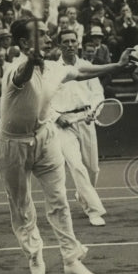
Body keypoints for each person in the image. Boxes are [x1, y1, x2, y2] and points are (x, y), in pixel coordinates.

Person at [0, 17, 135, 274]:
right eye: (41, 35)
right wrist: (29, 62)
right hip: (12, 144)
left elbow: (81, 73)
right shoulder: (14, 70)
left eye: (48, 34)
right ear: (24, 43)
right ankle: (34, 252)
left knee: (59, 200)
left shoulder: (53, 67)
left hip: (45, 137)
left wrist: (117, 65)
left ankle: (71, 259)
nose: (49, 39)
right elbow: (22, 76)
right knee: (21, 206)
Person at [51, 29, 127, 227]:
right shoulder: (51, 70)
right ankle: (94, 210)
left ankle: (84, 194)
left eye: (73, 41)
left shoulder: (87, 67)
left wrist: (93, 111)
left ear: (78, 44)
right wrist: (57, 117)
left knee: (93, 168)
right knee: (76, 166)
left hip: (86, 120)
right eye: (65, 41)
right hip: (63, 125)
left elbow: (97, 94)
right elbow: (44, 99)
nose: (69, 44)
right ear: (59, 45)